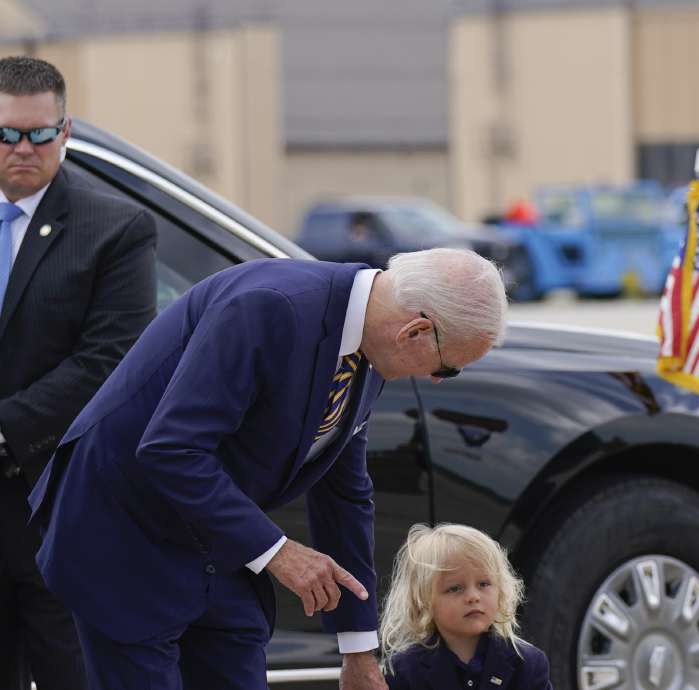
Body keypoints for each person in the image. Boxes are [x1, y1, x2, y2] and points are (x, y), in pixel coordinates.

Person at [28, 248, 507, 689]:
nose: (434, 380)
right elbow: (171, 449)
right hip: (124, 532)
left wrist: (358, 649)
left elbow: (344, 492)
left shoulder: (368, 346)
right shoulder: (270, 305)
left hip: (216, 540)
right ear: (415, 332)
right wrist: (279, 553)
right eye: (448, 367)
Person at [0, 56, 156, 690]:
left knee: (69, 672)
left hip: (51, 504)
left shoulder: (114, 228)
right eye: (7, 133)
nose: (23, 148)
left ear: (66, 132)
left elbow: (110, 361)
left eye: (40, 133)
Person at [379, 523, 552, 690]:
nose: (473, 597)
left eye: (483, 584)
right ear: (422, 601)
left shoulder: (528, 663)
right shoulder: (404, 670)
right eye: (455, 588)